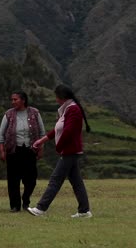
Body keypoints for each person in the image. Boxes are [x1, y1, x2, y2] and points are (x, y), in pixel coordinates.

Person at [27, 84, 92, 218]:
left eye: (56, 97)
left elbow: (68, 131)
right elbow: (57, 130)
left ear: (61, 97)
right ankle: (84, 211)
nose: (55, 99)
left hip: (70, 150)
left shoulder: (73, 110)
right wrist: (42, 140)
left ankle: (41, 208)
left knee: (55, 180)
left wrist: (59, 147)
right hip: (69, 150)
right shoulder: (66, 109)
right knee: (76, 181)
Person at [0, 90, 45, 212]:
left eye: (15, 99)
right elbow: (1, 135)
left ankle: (26, 200)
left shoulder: (35, 113)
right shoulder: (8, 114)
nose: (13, 102)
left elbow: (42, 132)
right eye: (12, 100)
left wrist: (40, 148)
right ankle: (15, 205)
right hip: (13, 151)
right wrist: (2, 151)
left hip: (30, 150)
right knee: (13, 179)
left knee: (31, 179)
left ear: (23, 100)